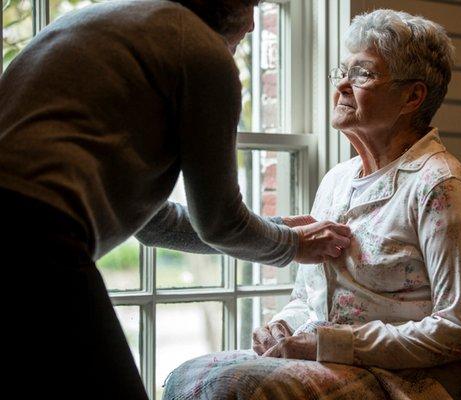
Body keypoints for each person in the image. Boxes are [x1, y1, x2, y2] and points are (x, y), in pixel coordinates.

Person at [0, 0, 351, 398]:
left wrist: (278, 230)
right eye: (251, 5)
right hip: (32, 235)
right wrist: (292, 245)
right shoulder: (201, 52)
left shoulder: (101, 25)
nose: (253, 26)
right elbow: (220, 222)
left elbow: (154, 224)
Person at [254, 9, 461, 371]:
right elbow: (309, 297)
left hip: (400, 380)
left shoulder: (439, 185)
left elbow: (459, 330)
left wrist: (331, 344)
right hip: (331, 367)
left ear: (412, 97)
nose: (342, 86)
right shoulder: (336, 180)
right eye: (343, 72)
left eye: (362, 73)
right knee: (199, 375)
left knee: (230, 389)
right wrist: (283, 326)